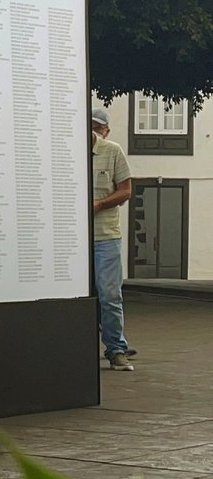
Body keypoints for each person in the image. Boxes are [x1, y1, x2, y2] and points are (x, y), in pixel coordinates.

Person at [91, 107, 134, 370]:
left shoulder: (113, 151)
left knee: (109, 294)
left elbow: (126, 191)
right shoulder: (67, 150)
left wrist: (100, 204)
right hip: (73, 239)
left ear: (106, 130)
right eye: (90, 125)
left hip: (105, 236)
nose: (94, 130)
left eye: (98, 127)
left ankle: (116, 348)